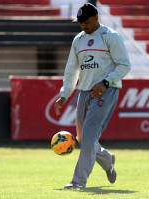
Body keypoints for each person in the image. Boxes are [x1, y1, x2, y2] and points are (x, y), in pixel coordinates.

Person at [54, 3, 131, 189]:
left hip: (107, 91)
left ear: (96, 18)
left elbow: (124, 65)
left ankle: (78, 181)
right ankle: (107, 160)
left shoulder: (110, 37)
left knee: (88, 135)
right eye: (80, 22)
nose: (83, 26)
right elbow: (72, 70)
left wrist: (105, 82)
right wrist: (65, 94)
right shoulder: (78, 40)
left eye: (86, 22)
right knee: (82, 139)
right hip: (84, 92)